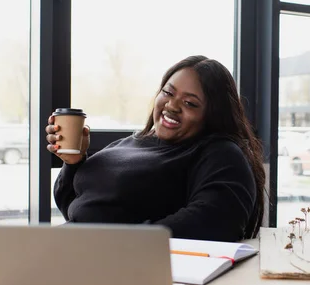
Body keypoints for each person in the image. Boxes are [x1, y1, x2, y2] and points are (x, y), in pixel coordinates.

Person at [46, 55, 266, 241]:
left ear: (212, 114)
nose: (172, 106)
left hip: (120, 264)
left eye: (190, 103)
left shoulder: (219, 153)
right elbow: (75, 208)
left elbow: (216, 221)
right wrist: (73, 163)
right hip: (71, 248)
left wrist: (120, 244)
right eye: (168, 93)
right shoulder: (130, 143)